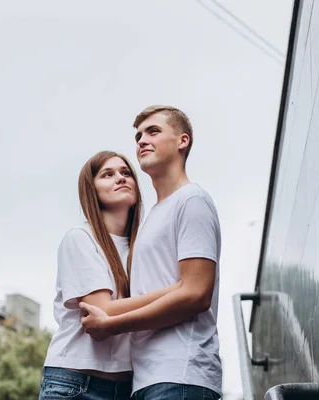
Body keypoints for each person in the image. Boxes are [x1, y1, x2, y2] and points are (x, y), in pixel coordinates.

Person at [80, 106, 222, 400]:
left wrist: (111, 325)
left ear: (182, 141)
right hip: (148, 380)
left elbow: (197, 294)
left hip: (181, 375)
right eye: (138, 135)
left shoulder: (192, 200)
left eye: (153, 131)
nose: (142, 140)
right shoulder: (150, 219)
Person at [39, 151, 180, 400]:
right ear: (91, 190)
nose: (120, 178)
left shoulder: (144, 247)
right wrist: (175, 291)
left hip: (127, 387)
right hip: (76, 384)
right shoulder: (80, 239)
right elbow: (103, 309)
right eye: (108, 174)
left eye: (126, 173)